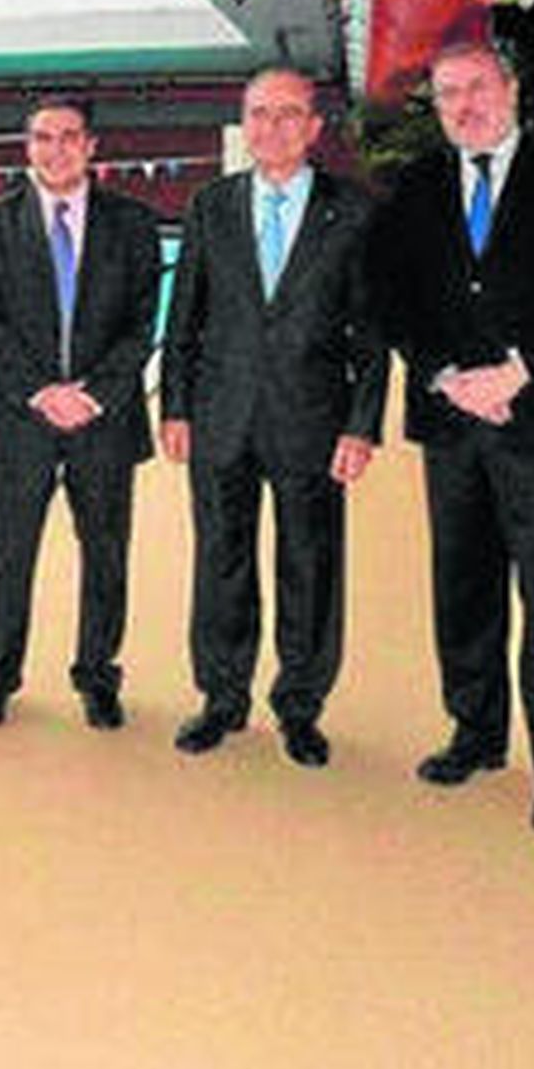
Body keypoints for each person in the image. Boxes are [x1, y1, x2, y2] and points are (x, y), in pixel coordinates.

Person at [365, 37, 534, 830]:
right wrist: (445, 375)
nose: (465, 105)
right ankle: (476, 732)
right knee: (463, 585)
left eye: (477, 87)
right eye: (448, 94)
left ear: (510, 88)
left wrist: (519, 371)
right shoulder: (414, 185)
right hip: (451, 422)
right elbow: (390, 297)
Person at [160, 67, 386, 768]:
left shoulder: (353, 211)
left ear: (315, 128)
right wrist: (174, 406)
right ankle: (222, 698)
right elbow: (186, 317)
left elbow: (371, 333)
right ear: (243, 122)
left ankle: (300, 705)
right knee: (220, 563)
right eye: (259, 113)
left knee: (309, 567)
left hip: (311, 420)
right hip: (220, 415)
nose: (272, 127)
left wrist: (361, 423)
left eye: (289, 114)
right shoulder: (211, 206)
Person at [0, 96, 161, 729]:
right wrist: (40, 392)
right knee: (8, 554)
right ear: (28, 148)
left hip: (103, 421)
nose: (56, 149)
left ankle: (97, 675)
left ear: (92, 146)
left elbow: (140, 324)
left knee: (106, 553)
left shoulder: (133, 222)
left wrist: (94, 393)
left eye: (69, 137)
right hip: (22, 418)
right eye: (43, 138)